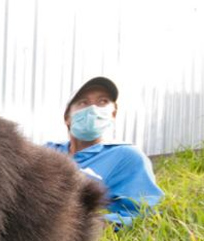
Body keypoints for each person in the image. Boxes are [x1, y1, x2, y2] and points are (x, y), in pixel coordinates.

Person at [46, 76, 164, 227]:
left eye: (103, 102)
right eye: (83, 102)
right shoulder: (49, 150)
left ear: (113, 114)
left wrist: (87, 227)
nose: (93, 109)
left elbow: (142, 212)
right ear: (67, 118)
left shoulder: (127, 156)